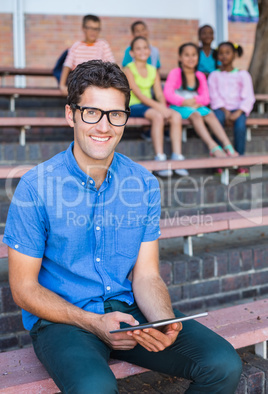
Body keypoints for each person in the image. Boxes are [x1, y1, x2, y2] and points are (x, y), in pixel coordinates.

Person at [4, 60, 242, 394]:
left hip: (127, 309)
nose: (104, 126)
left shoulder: (143, 183)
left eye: (115, 114)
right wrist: (93, 322)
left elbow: (146, 275)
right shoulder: (35, 187)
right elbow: (24, 289)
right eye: (92, 112)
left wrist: (163, 319)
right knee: (94, 388)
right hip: (65, 319)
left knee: (223, 363)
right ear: (70, 114)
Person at [124, 36, 188, 177]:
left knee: (175, 115)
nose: (142, 51)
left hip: (150, 106)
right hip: (134, 105)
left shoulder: (153, 70)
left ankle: (177, 157)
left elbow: (159, 93)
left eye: (145, 48)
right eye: (138, 48)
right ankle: (160, 158)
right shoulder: (128, 69)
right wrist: (161, 109)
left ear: (149, 51)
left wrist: (164, 106)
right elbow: (139, 95)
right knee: (158, 116)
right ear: (132, 53)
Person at [163, 42, 238, 159]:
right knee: (196, 116)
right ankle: (212, 146)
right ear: (180, 57)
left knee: (210, 114)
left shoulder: (199, 75)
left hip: (195, 105)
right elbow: (168, 94)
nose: (191, 58)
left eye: (194, 55)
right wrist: (184, 102)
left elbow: (206, 97)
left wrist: (195, 101)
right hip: (177, 107)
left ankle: (227, 145)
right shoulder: (175, 73)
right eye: (187, 55)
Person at [208, 41, 255, 176]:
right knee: (217, 120)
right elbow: (214, 96)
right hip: (220, 108)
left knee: (240, 126)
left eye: (228, 53)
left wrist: (239, 111)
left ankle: (239, 161)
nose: (224, 56)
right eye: (221, 53)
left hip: (238, 109)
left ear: (234, 54)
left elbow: (248, 96)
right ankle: (217, 161)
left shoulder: (243, 74)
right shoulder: (214, 75)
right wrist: (225, 111)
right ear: (217, 56)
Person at [59, 14, 114, 95]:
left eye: (96, 29)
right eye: (90, 28)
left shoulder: (103, 45)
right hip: (79, 85)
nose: (93, 32)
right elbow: (67, 65)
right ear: (84, 28)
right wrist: (62, 85)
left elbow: (112, 66)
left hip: (98, 84)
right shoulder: (76, 46)